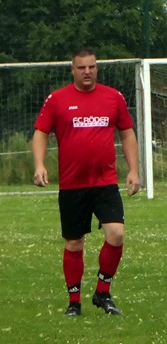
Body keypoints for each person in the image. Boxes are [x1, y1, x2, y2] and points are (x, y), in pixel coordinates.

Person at [32, 47, 141, 317]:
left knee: (116, 234)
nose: (87, 72)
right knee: (74, 243)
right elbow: (41, 133)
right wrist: (39, 165)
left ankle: (103, 292)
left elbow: (127, 133)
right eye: (81, 67)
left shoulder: (113, 97)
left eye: (92, 66)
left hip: (105, 182)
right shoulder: (57, 99)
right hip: (72, 184)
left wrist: (133, 170)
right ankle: (74, 302)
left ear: (97, 68)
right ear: (73, 70)